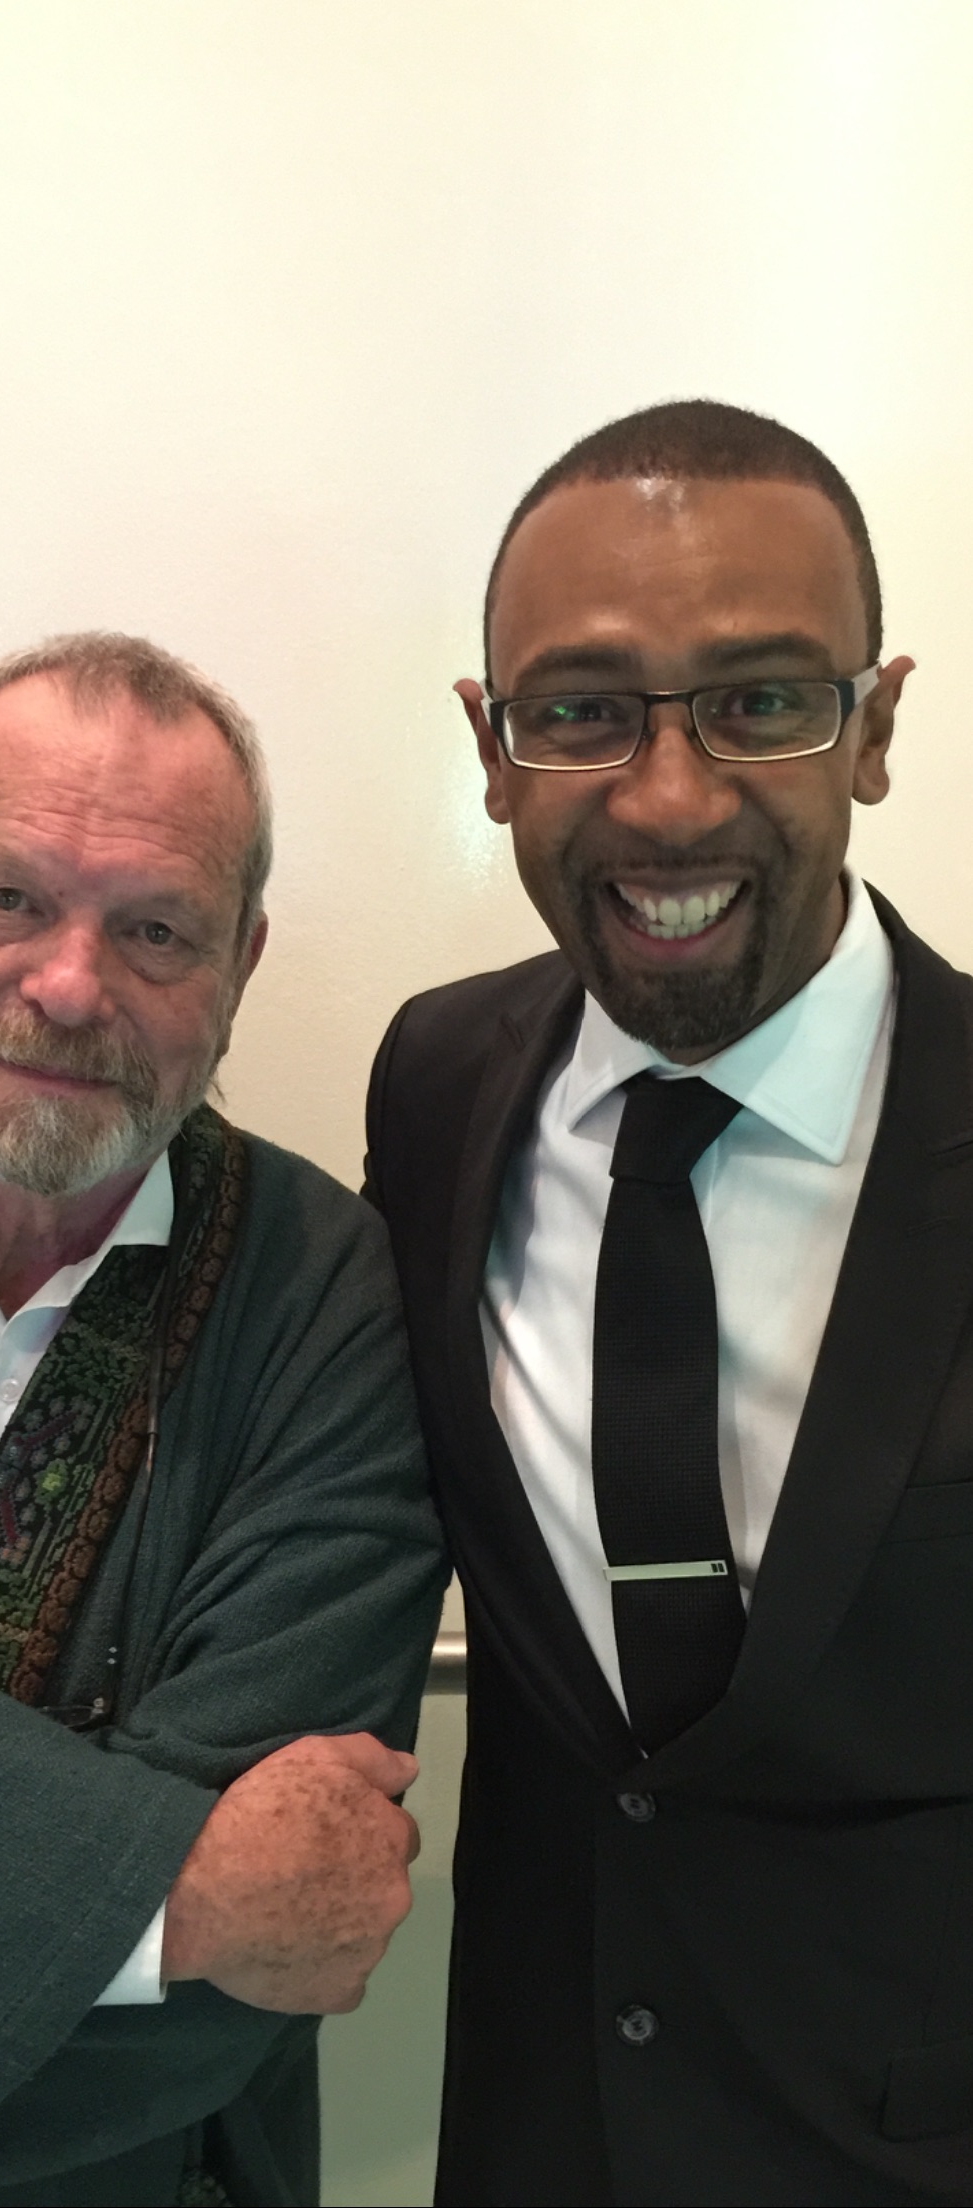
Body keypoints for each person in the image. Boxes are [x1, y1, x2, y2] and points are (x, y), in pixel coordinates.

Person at [0, 631, 445, 2208]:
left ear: (240, 965)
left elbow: (276, 1943)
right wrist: (177, 1900)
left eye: (155, 930)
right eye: (7, 897)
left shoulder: (331, 1300)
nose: (69, 985)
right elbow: (246, 1911)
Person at [365, 398, 973, 2206]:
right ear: (490, 751)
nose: (669, 793)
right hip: (538, 2139)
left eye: (762, 699)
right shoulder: (434, 1077)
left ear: (872, 727)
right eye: (580, 712)